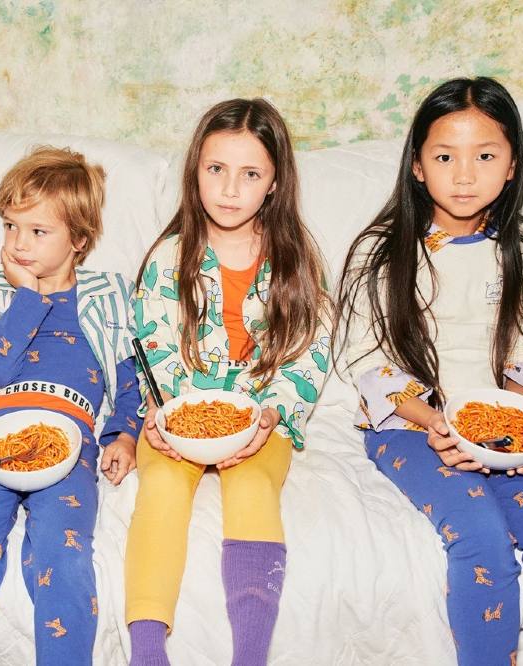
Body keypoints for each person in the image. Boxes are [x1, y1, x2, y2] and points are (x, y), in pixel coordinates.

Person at [334, 77, 523, 665]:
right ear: (417, 166)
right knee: (481, 541)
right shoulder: (379, 255)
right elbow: (369, 364)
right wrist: (443, 425)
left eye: (485, 156)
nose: (463, 175)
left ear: (512, 167)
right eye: (444, 156)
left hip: (504, 427)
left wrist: (509, 429)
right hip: (410, 427)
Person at [126, 98, 330, 666]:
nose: (230, 189)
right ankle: (146, 650)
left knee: (253, 489)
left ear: (274, 183)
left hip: (259, 416)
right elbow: (153, 344)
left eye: (250, 174)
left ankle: (251, 654)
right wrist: (166, 413)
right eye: (216, 169)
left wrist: (270, 415)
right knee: (161, 490)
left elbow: (309, 351)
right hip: (182, 415)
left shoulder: (297, 260)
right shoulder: (169, 257)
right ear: (195, 172)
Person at [0, 146, 141, 665]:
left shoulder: (109, 295)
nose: (19, 244)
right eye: (10, 227)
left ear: (80, 241)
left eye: (38, 231)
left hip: (70, 443)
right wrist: (27, 297)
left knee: (63, 559)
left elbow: (131, 376)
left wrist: (124, 434)